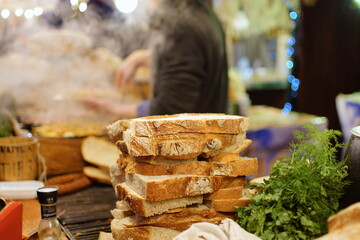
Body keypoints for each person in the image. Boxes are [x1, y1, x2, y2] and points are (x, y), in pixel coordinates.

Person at [85, 0, 229, 119]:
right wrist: (143, 58)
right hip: (208, 142)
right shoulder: (203, 14)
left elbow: (170, 109)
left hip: (194, 148)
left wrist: (114, 109)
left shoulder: (181, 26)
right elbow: (195, 60)